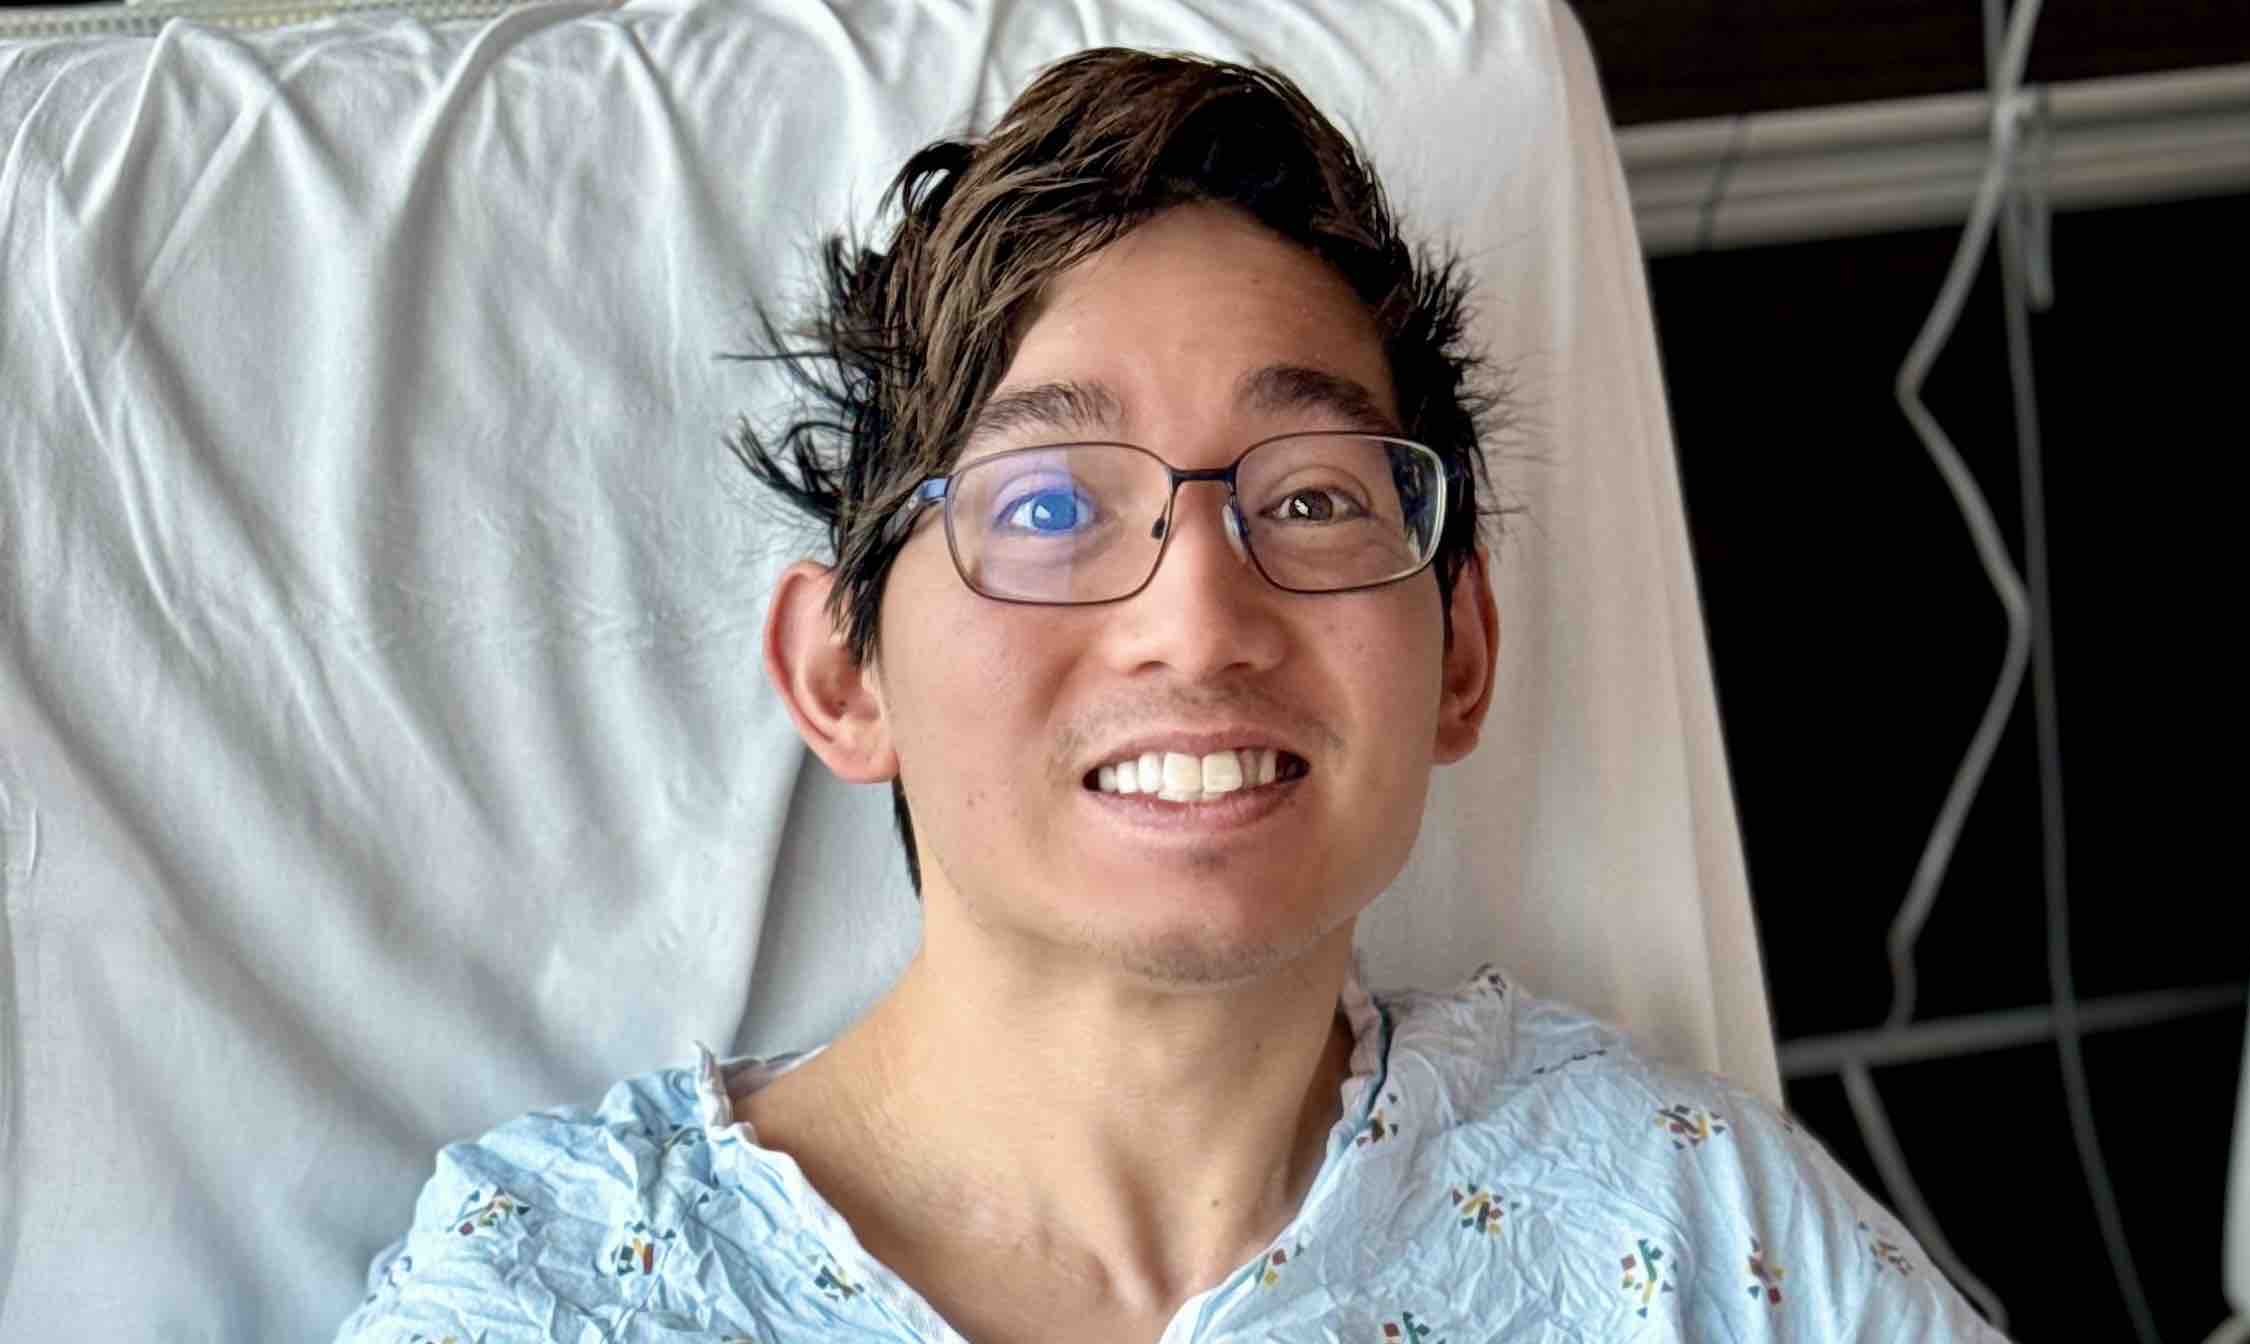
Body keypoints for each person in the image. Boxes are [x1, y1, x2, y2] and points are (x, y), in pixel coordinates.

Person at [335, 48, 2008, 1344]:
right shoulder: (554, 1290)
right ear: (844, 674)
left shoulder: (1696, 1237)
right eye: (1049, 506)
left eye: (1313, 498)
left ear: (1461, 652)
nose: (1199, 622)